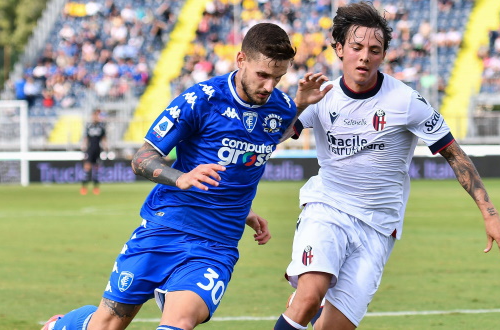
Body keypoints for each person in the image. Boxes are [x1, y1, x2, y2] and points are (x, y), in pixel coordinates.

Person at [42, 22, 331, 330]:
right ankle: (61, 325)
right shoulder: (200, 100)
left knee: (180, 321)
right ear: (241, 60)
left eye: (278, 77)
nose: (269, 86)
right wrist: (181, 178)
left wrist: (298, 105)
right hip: (164, 227)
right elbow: (142, 159)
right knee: (107, 323)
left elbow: (266, 139)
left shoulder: (282, 106)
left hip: (216, 244)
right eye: (263, 75)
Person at [273, 3, 500, 330]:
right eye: (356, 47)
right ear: (339, 49)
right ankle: (308, 296)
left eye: (374, 50)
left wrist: (490, 214)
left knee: (333, 327)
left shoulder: (406, 101)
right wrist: (299, 105)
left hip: (378, 225)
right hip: (327, 207)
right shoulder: (322, 96)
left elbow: (454, 154)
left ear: (384, 55)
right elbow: (274, 137)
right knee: (309, 297)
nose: (364, 56)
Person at [80, 109, 107, 195]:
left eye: (98, 115)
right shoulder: (89, 126)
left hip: (98, 149)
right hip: (90, 149)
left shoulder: (101, 126)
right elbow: (86, 138)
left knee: (96, 168)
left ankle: (96, 188)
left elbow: (104, 138)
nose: (96, 117)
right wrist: (84, 146)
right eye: (95, 115)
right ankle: (84, 187)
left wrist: (106, 146)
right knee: (87, 167)